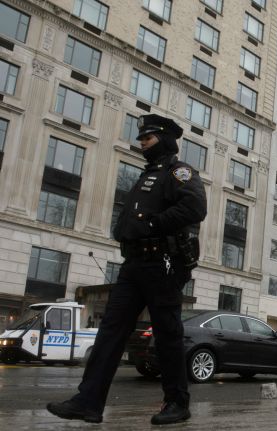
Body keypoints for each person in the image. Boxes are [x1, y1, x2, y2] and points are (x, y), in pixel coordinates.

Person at [47, 114, 207, 425]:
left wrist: (153, 224)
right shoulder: (147, 176)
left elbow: (194, 208)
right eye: (142, 138)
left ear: (163, 139)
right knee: (110, 333)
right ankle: (88, 402)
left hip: (162, 265)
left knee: (167, 336)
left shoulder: (179, 172)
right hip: (133, 266)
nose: (142, 143)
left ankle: (177, 402)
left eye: (147, 138)